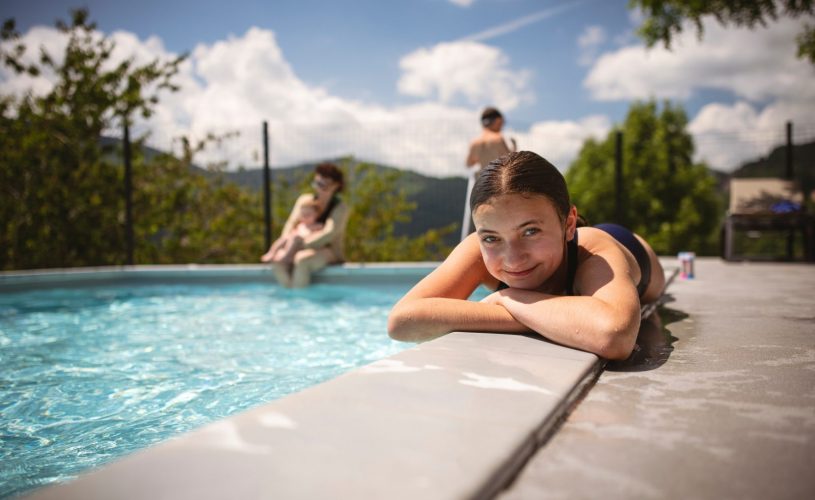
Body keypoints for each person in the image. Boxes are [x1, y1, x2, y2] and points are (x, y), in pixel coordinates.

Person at [388, 151, 666, 361]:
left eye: (530, 231)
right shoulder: (478, 247)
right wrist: (523, 312)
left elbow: (614, 336)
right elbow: (402, 322)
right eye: (491, 238)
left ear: (569, 224)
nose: (512, 259)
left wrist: (507, 298)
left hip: (625, 245)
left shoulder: (592, 254)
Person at [262, 162, 350, 288]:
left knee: (301, 260)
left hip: (328, 251)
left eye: (323, 185)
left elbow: (330, 233)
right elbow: (291, 224)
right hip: (297, 245)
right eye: (316, 183)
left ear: (335, 186)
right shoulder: (305, 200)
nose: (318, 188)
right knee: (277, 260)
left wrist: (302, 244)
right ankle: (290, 297)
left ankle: (300, 300)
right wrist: (289, 244)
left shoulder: (340, 207)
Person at [462, 107, 516, 238]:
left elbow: (469, 163)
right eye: (502, 122)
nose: (502, 125)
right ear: (497, 121)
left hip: (480, 184)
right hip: (498, 185)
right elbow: (510, 162)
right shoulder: (498, 139)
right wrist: (514, 148)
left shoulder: (475, 142)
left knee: (476, 225)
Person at [260, 199, 324, 265]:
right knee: (284, 238)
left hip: (304, 244)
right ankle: (272, 252)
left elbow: (318, 237)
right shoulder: (300, 226)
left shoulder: (317, 226)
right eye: (303, 215)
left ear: (316, 214)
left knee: (294, 238)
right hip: (293, 243)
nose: (305, 217)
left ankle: (286, 257)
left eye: (308, 215)